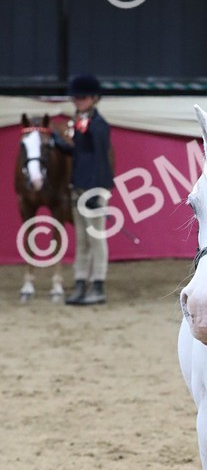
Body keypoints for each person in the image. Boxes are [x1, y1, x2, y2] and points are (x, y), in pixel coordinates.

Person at [52, 74, 114, 305]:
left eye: (83, 97)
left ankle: (98, 285)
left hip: (93, 190)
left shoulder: (99, 125)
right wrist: (57, 143)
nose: (78, 100)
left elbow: (100, 160)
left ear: (94, 98)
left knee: (96, 239)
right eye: (76, 97)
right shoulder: (80, 122)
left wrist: (96, 193)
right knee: (81, 239)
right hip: (78, 188)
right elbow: (80, 153)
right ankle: (80, 283)